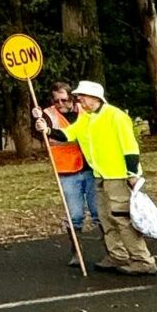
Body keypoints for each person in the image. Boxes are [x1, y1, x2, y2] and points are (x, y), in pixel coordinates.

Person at [35, 79, 157, 275]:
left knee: (122, 218)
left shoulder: (115, 116)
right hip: (100, 175)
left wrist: (132, 174)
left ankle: (142, 259)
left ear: (94, 98)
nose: (79, 101)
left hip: (118, 176)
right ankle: (117, 255)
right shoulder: (87, 118)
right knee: (105, 217)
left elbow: (130, 148)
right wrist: (47, 130)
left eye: (81, 97)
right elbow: (68, 134)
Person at [41, 80, 104, 264]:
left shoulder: (86, 111)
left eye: (64, 100)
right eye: (56, 101)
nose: (60, 104)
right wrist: (43, 126)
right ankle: (77, 252)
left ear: (73, 98)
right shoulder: (47, 114)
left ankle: (113, 252)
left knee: (98, 212)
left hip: (92, 167)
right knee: (74, 214)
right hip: (67, 169)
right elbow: (44, 132)